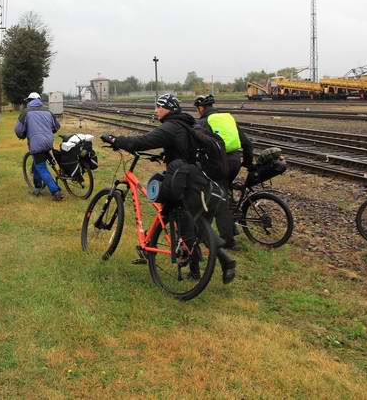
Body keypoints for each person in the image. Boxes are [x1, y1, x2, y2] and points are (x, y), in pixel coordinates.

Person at [101, 93, 236, 284]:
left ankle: (214, 261)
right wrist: (165, 155)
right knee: (193, 223)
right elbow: (183, 150)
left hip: (183, 181)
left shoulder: (171, 127)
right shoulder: (187, 124)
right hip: (197, 178)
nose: (156, 110)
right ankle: (208, 265)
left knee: (182, 220)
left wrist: (116, 140)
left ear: (169, 109)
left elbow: (142, 141)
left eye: (159, 106)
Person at [194, 94, 254, 250]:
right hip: (235, 162)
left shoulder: (203, 122)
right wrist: (247, 162)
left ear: (201, 108)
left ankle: (228, 241)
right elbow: (247, 143)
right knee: (223, 193)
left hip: (219, 164)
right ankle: (227, 230)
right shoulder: (228, 118)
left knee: (218, 200)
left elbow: (196, 142)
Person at [14, 92, 64, 201]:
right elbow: (57, 126)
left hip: (36, 143)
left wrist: (22, 135)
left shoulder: (26, 112)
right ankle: (37, 186)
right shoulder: (48, 111)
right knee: (37, 162)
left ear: (29, 101)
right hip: (48, 142)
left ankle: (56, 191)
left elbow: (18, 130)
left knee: (41, 167)